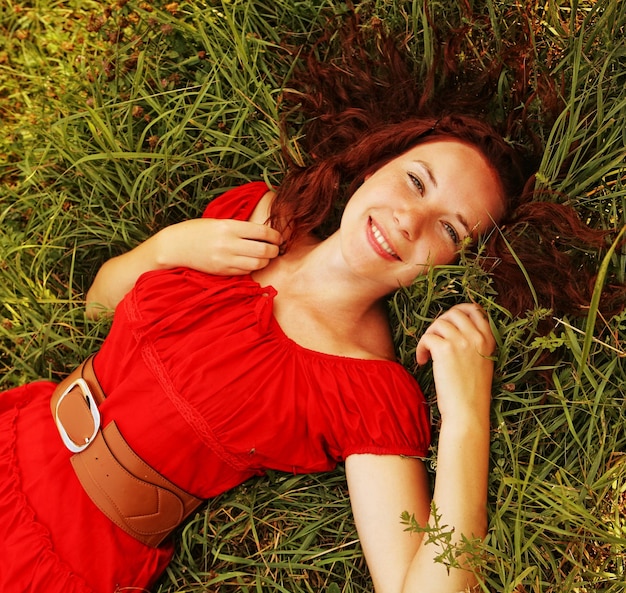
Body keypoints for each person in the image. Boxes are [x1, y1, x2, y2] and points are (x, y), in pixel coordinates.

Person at [1, 15, 622, 593]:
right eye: (415, 180)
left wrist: (467, 416)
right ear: (380, 159)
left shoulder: (365, 387)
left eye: (450, 230)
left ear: (456, 265)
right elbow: (96, 308)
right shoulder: (256, 216)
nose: (410, 221)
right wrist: (168, 247)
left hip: (58, 556)